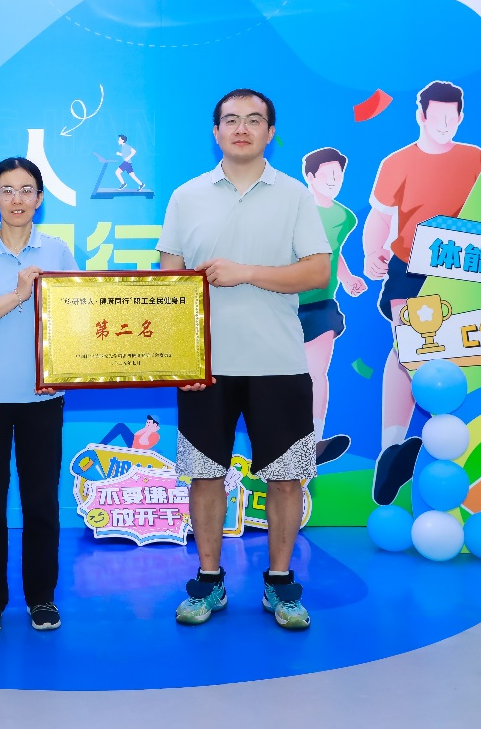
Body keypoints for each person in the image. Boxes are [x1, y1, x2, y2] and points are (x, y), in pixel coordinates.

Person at [157, 88, 331, 630]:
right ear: (215, 132)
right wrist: (180, 359)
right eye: (230, 119)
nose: (241, 128)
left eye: (254, 120)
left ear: (270, 132)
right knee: (204, 476)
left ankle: (280, 585)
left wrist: (246, 272)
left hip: (278, 361)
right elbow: (168, 284)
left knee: (286, 478)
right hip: (205, 366)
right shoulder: (186, 196)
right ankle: (208, 582)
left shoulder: (295, 195)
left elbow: (317, 273)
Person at [0, 157, 79, 636]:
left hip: (43, 398)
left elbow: (75, 319)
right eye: (7, 190)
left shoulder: (57, 249)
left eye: (27, 190)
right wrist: (19, 292)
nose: (17, 199)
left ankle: (41, 598)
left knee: (41, 504)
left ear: (40, 198)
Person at [361, 81, 481, 505]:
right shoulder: (397, 162)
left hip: (463, 267)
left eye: (453, 118)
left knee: (448, 354)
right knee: (408, 351)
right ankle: (393, 451)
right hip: (410, 268)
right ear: (421, 116)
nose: (445, 124)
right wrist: (371, 252)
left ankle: (444, 448)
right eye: (438, 117)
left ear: (461, 117)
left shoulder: (475, 158)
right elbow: (380, 217)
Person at [299, 147, 367, 465]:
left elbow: (333, 251)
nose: (333, 181)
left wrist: (348, 278)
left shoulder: (344, 217)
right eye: (326, 175)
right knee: (281, 377)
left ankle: (313, 443)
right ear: (310, 177)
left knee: (317, 372)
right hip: (282, 305)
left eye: (338, 176)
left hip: (322, 306)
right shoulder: (293, 210)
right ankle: (282, 442)